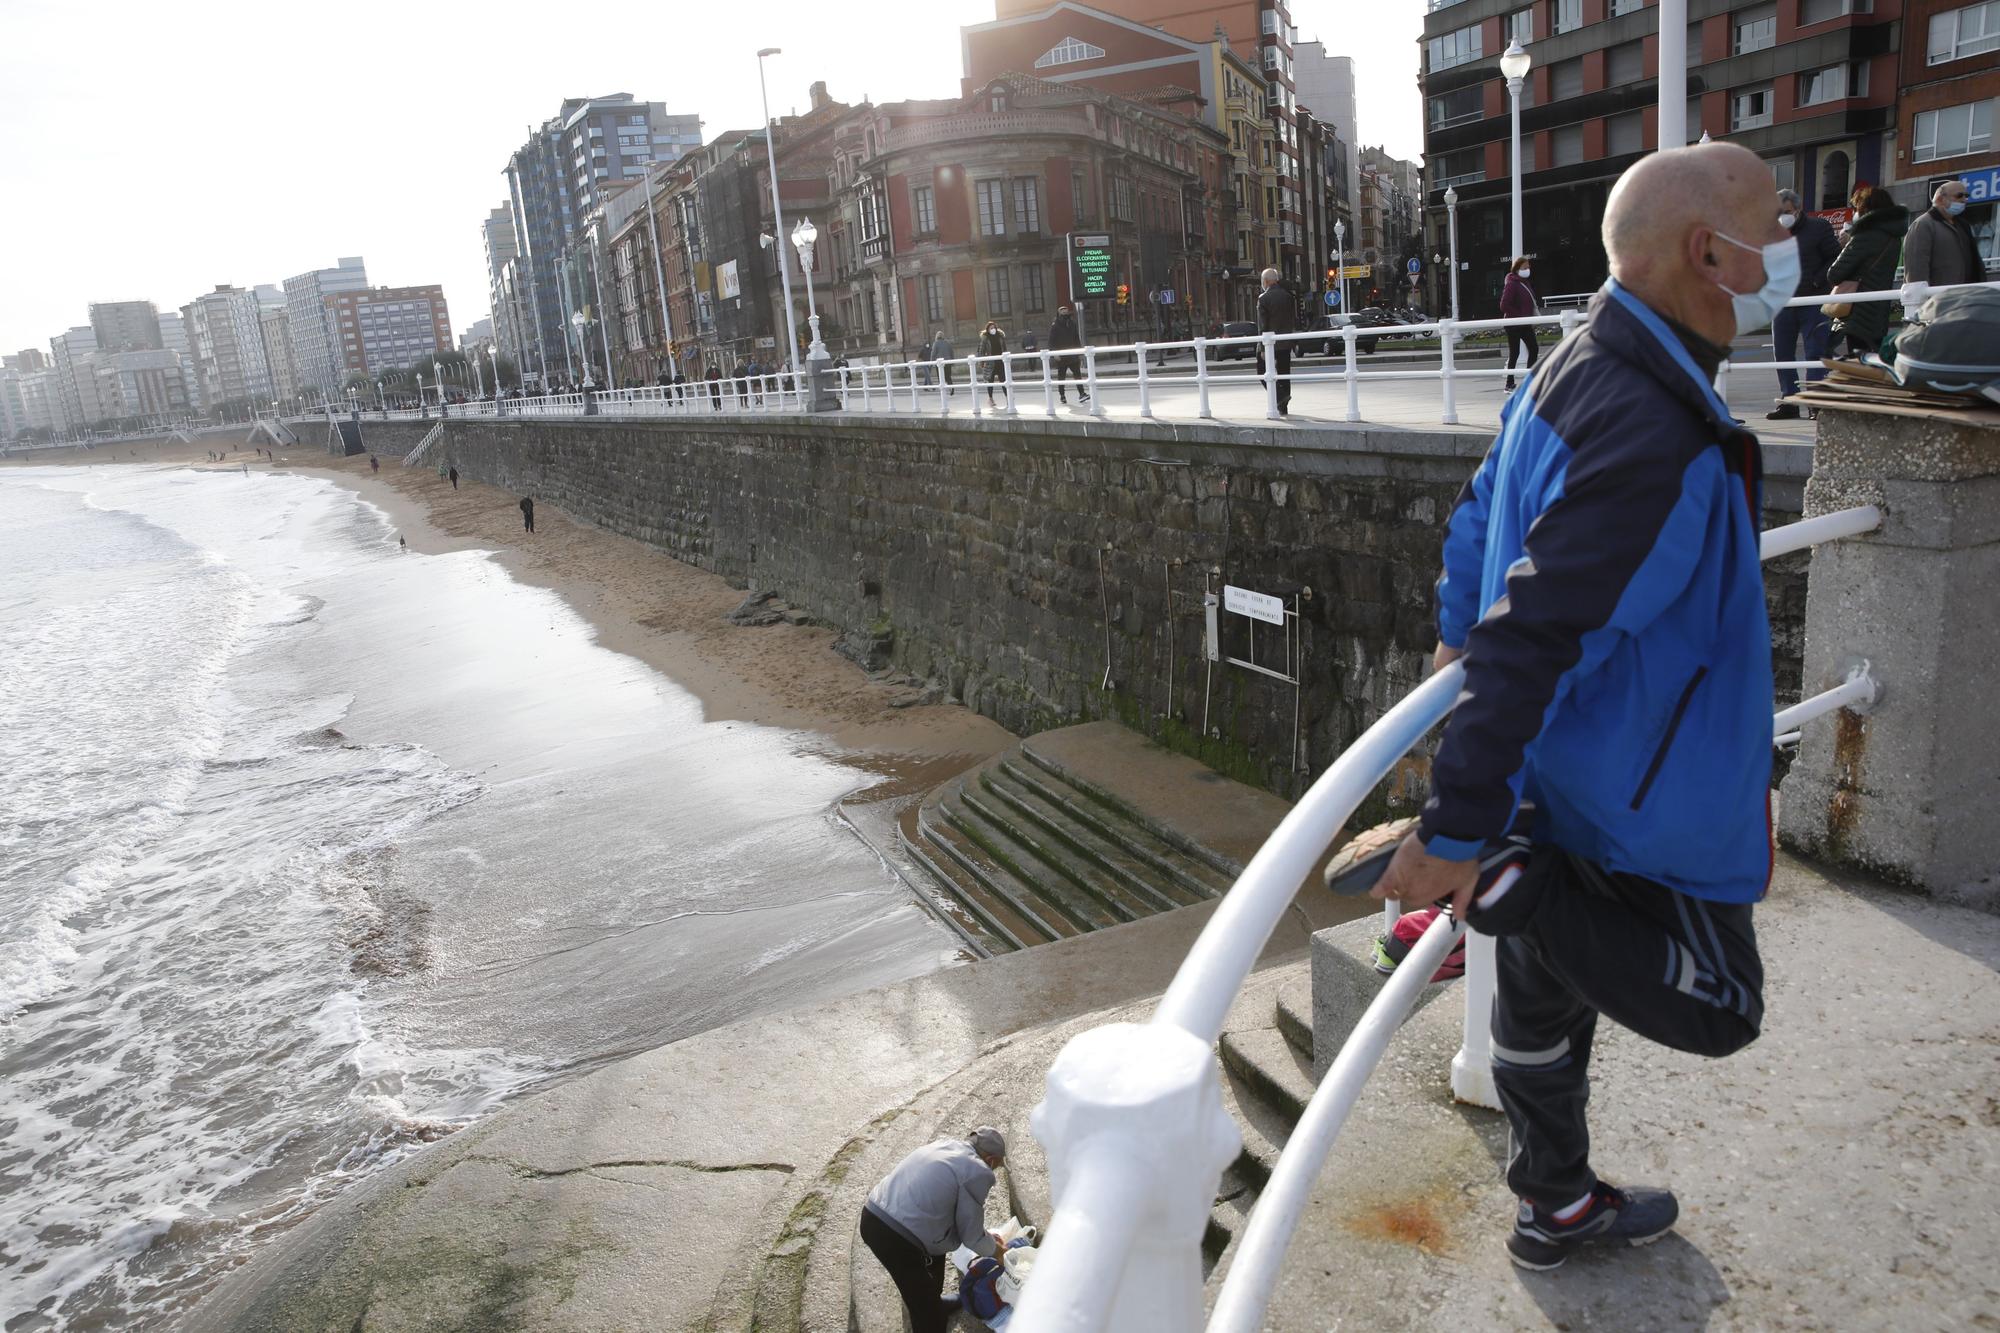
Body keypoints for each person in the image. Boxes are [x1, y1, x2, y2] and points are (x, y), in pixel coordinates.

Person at [1372, 142, 1793, 1272]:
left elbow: (1476, 521)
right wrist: (1459, 832)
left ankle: (1550, 1201)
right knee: (1717, 1003)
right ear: (1709, 252)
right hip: (1630, 789)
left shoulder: (1572, 360)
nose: (1783, 251)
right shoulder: (1656, 429)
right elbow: (1540, 632)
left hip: (1561, 769)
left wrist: (1453, 641)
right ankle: (1513, 881)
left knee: (1545, 1007)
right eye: (1773, 226)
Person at [860, 1128, 1007, 1333]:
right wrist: (998, 1251)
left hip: (875, 1211)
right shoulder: (978, 1170)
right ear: (991, 1159)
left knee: (934, 1262)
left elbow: (959, 1221)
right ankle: (931, 1313)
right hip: (895, 1236)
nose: (994, 1170)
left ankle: (934, 1302)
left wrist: (987, 1240)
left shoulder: (946, 1144)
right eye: (997, 1166)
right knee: (927, 1314)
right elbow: (971, 1236)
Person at [1767, 188, 1841, 419]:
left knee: (1815, 352)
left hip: (1812, 300)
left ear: (1798, 209)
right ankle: (1788, 402)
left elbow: (1835, 257)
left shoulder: (1819, 228)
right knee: (1782, 353)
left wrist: (1818, 281)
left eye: (1786, 212)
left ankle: (1815, 403)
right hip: (1782, 301)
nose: (1782, 216)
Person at [1824, 184, 1910, 359]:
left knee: (1859, 365)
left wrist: (1847, 244)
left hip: (1858, 311)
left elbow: (1834, 274)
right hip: (1878, 310)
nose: (1854, 212)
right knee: (1873, 363)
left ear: (1865, 208)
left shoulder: (1865, 235)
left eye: (1856, 208)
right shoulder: (1893, 237)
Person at [1902, 179, 1983, 290]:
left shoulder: (1963, 226)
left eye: (1966, 196)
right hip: (1939, 300)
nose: (1964, 200)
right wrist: (1923, 300)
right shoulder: (1923, 225)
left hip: (1965, 297)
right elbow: (1916, 269)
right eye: (1959, 196)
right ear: (1940, 199)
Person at [1256, 267, 1296, 416]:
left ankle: (1280, 396)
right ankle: (1283, 407)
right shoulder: (1288, 296)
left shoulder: (1263, 298)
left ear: (1265, 281)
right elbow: (1293, 319)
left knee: (1262, 371)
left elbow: (1263, 325)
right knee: (1285, 373)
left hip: (1270, 343)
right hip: (1286, 341)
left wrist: (1262, 347)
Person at [1499, 257, 1542, 391]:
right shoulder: (1512, 283)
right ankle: (1509, 383)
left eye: (1528, 267)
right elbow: (1504, 305)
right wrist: (1519, 316)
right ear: (1517, 269)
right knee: (1515, 353)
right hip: (1513, 324)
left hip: (1525, 323)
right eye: (1524, 268)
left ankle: (1529, 380)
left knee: (1534, 348)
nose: (1527, 270)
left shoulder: (1525, 283)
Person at [1049, 306, 1086, 403]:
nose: (1065, 314)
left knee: (1077, 375)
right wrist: (1054, 354)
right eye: (1063, 312)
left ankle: (1082, 393)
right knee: (1061, 377)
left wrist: (1079, 352)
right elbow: (1051, 342)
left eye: (1066, 312)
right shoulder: (1055, 326)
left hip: (1073, 354)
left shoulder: (1072, 324)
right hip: (1061, 356)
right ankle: (1062, 395)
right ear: (1059, 314)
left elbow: (1076, 338)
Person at [978, 320, 1007, 406]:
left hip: (1000, 362)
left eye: (994, 327)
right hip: (990, 363)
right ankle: (990, 399)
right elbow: (981, 351)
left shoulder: (1000, 336)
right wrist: (981, 361)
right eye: (991, 328)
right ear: (988, 329)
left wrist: (1006, 359)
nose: (993, 329)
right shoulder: (985, 338)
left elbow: (1004, 348)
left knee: (1003, 380)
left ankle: (1008, 397)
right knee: (990, 381)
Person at [929, 330, 955, 395]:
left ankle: (943, 391)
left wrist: (931, 363)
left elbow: (933, 354)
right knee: (948, 377)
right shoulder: (947, 343)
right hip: (948, 362)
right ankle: (951, 387)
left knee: (941, 377)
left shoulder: (936, 343)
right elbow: (951, 352)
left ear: (936, 336)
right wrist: (952, 361)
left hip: (940, 364)